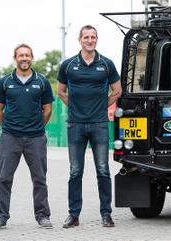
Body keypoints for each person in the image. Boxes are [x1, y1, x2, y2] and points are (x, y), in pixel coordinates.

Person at [57, 25, 122, 228]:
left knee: (102, 170)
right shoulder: (68, 65)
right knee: (75, 171)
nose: (90, 40)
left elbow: (117, 90)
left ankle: (106, 214)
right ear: (79, 40)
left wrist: (102, 106)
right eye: (86, 37)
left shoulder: (106, 64)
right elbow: (61, 92)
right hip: (75, 125)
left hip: (99, 124)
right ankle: (73, 215)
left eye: (93, 37)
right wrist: (75, 107)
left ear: (96, 40)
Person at [0, 44, 54, 230]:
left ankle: (43, 216)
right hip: (10, 137)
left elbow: (48, 110)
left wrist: (37, 127)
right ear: (15, 58)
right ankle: (0, 216)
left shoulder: (41, 81)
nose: (24, 58)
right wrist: (9, 128)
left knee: (40, 178)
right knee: (4, 178)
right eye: (21, 55)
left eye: (27, 55)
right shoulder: (4, 82)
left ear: (32, 57)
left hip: (36, 138)